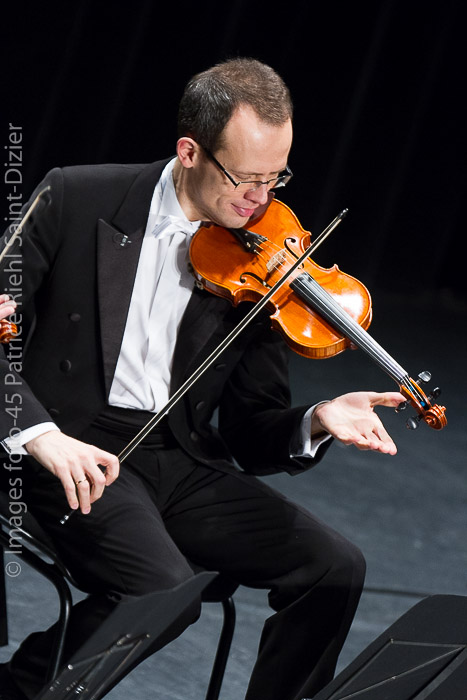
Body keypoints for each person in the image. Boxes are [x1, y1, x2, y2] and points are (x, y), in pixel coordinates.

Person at [0, 58, 404, 700]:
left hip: (180, 458)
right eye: (245, 178)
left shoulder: (261, 255)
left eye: (276, 178)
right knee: (164, 590)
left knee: (333, 566)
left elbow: (249, 428)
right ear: (190, 152)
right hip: (72, 446)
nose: (261, 200)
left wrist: (317, 419)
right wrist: (42, 435)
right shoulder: (76, 196)